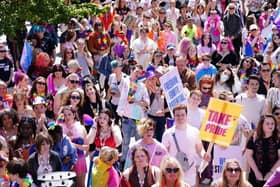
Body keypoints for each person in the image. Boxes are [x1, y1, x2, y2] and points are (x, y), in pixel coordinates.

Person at [162, 104, 210, 186]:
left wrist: (204, 155)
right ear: (173, 116)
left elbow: (200, 149)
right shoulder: (167, 134)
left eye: (182, 115)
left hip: (190, 172)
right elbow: (164, 154)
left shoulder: (194, 131)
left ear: (186, 115)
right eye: (177, 115)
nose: (180, 117)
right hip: (173, 173)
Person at [117, 65, 150, 165]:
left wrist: (136, 101)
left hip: (137, 119)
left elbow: (147, 103)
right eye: (136, 71)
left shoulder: (142, 86)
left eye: (139, 73)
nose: (137, 74)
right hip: (126, 117)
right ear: (131, 71)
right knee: (125, 141)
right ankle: (123, 161)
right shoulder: (125, 81)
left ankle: (137, 162)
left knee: (138, 142)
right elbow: (118, 76)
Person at [245, 114, 280, 187]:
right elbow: (248, 155)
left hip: (274, 177)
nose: (270, 125)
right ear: (261, 125)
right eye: (267, 123)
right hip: (255, 177)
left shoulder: (278, 139)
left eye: (272, 123)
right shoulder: (254, 138)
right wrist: (256, 172)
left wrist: (271, 173)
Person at [60, 105, 88, 187]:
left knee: (80, 185)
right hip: (65, 161)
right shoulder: (60, 129)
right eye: (65, 115)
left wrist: (73, 144)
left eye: (69, 114)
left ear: (74, 115)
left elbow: (87, 147)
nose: (67, 117)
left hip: (79, 160)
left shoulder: (81, 128)